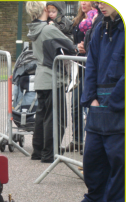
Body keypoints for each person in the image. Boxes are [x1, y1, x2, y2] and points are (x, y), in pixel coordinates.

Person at [64, 2, 124, 202]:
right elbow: (91, 65)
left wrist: (115, 101)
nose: (100, 6)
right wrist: (91, 98)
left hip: (119, 104)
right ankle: (96, 200)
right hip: (99, 102)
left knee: (118, 158)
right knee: (92, 156)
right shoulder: (99, 28)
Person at [26, 1, 76, 163]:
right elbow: (70, 45)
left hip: (41, 77)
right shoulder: (48, 29)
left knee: (41, 117)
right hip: (53, 78)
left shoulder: (35, 29)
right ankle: (49, 154)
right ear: (44, 10)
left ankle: (38, 151)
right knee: (55, 119)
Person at [65, 1, 93, 152]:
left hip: (91, 68)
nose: (83, 3)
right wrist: (77, 47)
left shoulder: (96, 20)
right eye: (82, 0)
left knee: (89, 107)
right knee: (75, 104)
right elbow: (72, 41)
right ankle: (77, 140)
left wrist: (86, 47)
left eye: (87, 0)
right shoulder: (77, 20)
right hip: (78, 68)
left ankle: (91, 143)